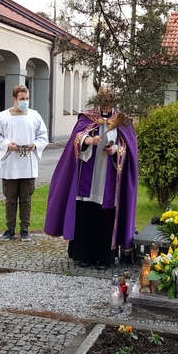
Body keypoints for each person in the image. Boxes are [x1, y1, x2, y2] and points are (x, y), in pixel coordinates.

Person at [44, 86, 139, 270]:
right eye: (103, 101)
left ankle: (104, 258)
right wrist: (88, 140)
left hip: (109, 179)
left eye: (109, 101)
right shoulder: (86, 117)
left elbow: (129, 148)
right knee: (86, 214)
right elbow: (76, 138)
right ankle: (82, 255)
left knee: (106, 216)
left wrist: (115, 151)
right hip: (88, 175)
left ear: (113, 101)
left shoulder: (123, 120)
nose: (105, 105)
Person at [0, 85, 49, 241]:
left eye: (27, 99)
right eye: (22, 99)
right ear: (14, 99)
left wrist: (34, 144)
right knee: (10, 199)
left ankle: (25, 229)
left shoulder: (34, 116)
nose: (25, 102)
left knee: (26, 199)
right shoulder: (3, 116)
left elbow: (43, 136)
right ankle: (9, 229)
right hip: (10, 164)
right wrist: (7, 144)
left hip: (28, 163)